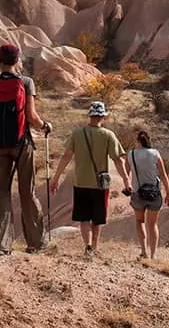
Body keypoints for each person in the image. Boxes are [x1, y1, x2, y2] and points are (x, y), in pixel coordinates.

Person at [0, 43, 53, 255]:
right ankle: (36, 243)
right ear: (17, 60)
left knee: (1, 193)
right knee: (26, 192)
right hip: (22, 145)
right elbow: (31, 116)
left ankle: (1, 246)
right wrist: (45, 125)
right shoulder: (26, 82)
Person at [49, 101, 130, 255]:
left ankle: (87, 246)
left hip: (81, 182)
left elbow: (66, 157)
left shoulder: (77, 133)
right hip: (100, 184)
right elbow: (118, 160)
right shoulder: (108, 135)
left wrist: (56, 178)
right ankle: (95, 246)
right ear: (103, 117)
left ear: (90, 116)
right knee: (97, 218)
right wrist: (126, 180)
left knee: (84, 217)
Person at [122, 130, 169, 259]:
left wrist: (127, 187)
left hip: (138, 194)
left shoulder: (131, 154)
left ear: (138, 141)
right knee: (153, 224)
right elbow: (163, 175)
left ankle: (144, 251)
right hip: (154, 194)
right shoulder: (155, 153)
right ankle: (153, 254)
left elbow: (126, 175)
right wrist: (168, 193)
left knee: (140, 221)